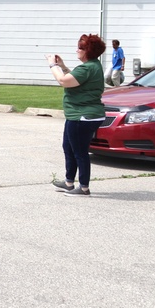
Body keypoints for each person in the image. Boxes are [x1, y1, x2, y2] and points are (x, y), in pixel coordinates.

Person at [47, 33, 107, 196]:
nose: (76, 50)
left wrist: (53, 65)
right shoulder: (92, 66)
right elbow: (72, 78)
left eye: (80, 48)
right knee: (68, 147)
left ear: (87, 51)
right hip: (76, 115)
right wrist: (64, 66)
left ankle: (84, 187)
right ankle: (69, 182)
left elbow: (63, 81)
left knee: (80, 152)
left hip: (83, 117)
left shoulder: (88, 68)